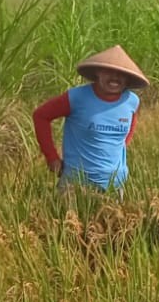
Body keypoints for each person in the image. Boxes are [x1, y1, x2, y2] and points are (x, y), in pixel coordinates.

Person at [31, 45, 148, 192]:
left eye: (121, 74)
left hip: (116, 185)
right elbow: (41, 116)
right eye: (108, 71)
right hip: (76, 185)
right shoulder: (76, 97)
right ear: (98, 72)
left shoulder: (131, 101)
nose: (115, 77)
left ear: (127, 78)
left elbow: (130, 124)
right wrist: (52, 158)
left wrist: (121, 146)